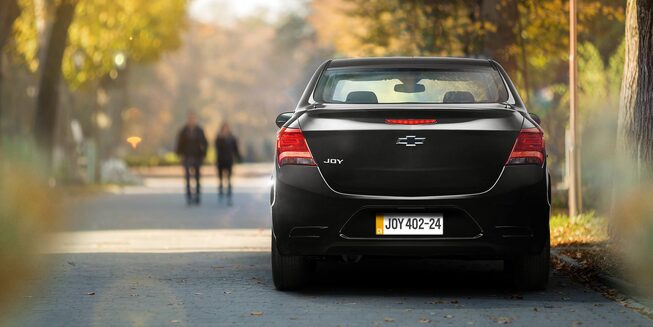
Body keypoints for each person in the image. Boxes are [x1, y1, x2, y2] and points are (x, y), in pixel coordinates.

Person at [175, 111, 208, 205]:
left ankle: (197, 195)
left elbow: (205, 143)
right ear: (187, 119)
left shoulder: (199, 130)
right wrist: (179, 154)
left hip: (197, 156)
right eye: (190, 117)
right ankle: (189, 196)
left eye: (193, 117)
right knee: (187, 177)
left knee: (197, 177)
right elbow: (179, 143)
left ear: (195, 118)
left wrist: (203, 154)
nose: (191, 119)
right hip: (186, 156)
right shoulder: (183, 130)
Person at [215, 122, 241, 205]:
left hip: (229, 160)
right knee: (221, 178)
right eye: (224, 128)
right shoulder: (219, 138)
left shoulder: (232, 138)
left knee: (229, 178)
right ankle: (221, 191)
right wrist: (221, 138)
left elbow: (235, 149)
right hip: (220, 160)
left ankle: (229, 194)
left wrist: (239, 157)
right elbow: (217, 148)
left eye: (227, 128)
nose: (225, 130)